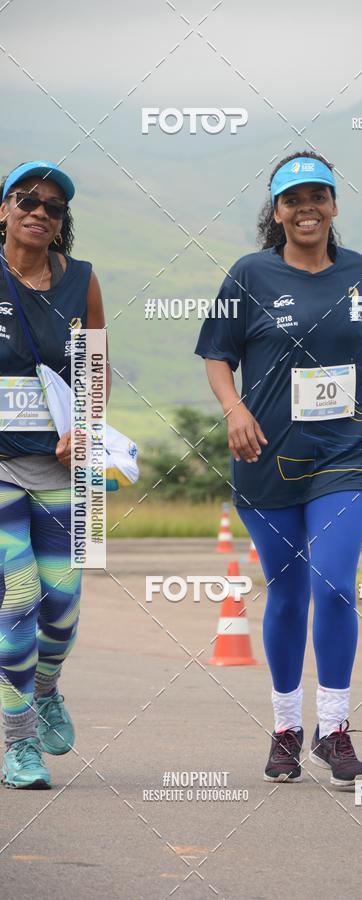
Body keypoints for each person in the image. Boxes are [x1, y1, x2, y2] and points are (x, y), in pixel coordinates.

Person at [196, 151, 362, 789]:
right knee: (286, 592)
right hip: (266, 454)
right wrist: (233, 410)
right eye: (292, 198)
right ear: (276, 211)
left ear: (334, 205)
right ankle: (286, 727)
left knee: (334, 584)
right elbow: (218, 354)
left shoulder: (358, 270)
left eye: (318, 196)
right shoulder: (250, 273)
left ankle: (334, 729)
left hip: (343, 452)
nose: (306, 207)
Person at [0, 161, 109, 788]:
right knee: (18, 596)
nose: (40, 212)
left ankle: (46, 690)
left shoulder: (82, 283)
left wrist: (86, 425)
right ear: (5, 210)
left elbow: (95, 370)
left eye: (54, 207)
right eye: (27, 200)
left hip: (65, 469)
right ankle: (17, 742)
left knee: (62, 603)